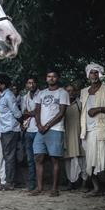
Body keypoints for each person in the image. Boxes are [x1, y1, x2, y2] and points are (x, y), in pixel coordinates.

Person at [81, 64, 105, 200]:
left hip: (103, 130)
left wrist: (99, 109)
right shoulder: (84, 91)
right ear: (88, 75)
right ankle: (96, 188)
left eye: (96, 73)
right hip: (87, 131)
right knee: (89, 160)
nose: (94, 75)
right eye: (91, 73)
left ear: (100, 74)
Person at [29, 68, 69, 197]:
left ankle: (54, 188)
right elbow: (37, 110)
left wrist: (47, 125)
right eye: (49, 76)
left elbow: (61, 112)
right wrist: (39, 125)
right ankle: (40, 187)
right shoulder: (41, 93)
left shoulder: (62, 93)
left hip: (55, 129)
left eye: (54, 76)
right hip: (41, 130)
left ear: (58, 78)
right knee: (38, 157)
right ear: (46, 78)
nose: (51, 79)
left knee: (54, 158)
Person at [0, 74, 24, 191]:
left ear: (3, 85)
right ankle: (18, 180)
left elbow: (16, 113)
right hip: (7, 128)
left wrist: (21, 122)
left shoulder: (8, 96)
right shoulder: (4, 96)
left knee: (9, 156)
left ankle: (9, 182)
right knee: (10, 156)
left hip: (10, 129)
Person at [61, 85, 88, 192]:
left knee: (83, 160)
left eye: (73, 91)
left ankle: (84, 184)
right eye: (68, 91)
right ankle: (70, 183)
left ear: (77, 92)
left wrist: (83, 134)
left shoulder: (80, 104)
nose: (71, 93)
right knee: (69, 161)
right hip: (67, 136)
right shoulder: (62, 105)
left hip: (80, 136)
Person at [21, 75, 40, 191]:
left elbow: (40, 113)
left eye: (33, 83)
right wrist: (33, 113)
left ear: (36, 84)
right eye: (29, 83)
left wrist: (31, 113)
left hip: (39, 130)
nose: (31, 85)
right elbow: (24, 112)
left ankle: (39, 182)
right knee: (30, 159)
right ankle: (32, 183)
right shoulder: (25, 97)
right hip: (29, 130)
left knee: (38, 158)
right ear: (26, 85)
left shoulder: (41, 94)